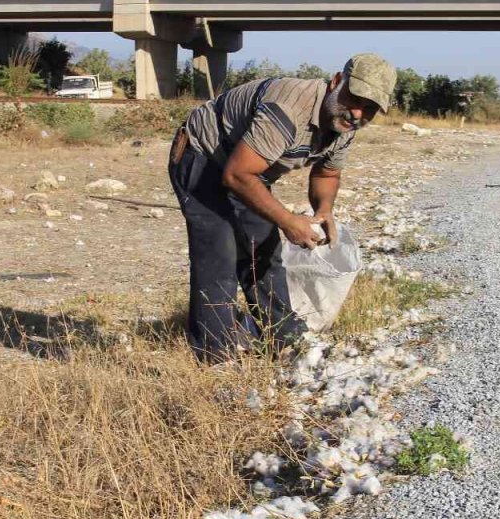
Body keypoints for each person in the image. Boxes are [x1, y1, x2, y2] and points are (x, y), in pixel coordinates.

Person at [167, 53, 396, 363]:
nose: (357, 113)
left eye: (369, 109)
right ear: (336, 82)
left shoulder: (345, 125)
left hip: (247, 168)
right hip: (203, 154)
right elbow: (236, 175)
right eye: (354, 99)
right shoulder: (288, 109)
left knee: (262, 249)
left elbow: (327, 172)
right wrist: (288, 221)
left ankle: (283, 337)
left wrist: (324, 210)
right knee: (219, 254)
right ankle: (214, 357)